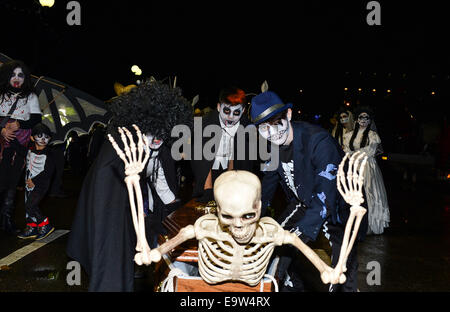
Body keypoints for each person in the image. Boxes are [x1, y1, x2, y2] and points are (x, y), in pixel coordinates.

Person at [66, 79, 193, 291]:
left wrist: (176, 209)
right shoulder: (123, 141)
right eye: (156, 133)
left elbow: (158, 176)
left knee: (123, 258)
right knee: (111, 261)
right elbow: (110, 188)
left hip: (128, 206)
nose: (159, 139)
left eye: (164, 134)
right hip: (110, 204)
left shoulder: (156, 140)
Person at [250, 91, 359, 292]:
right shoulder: (271, 147)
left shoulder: (318, 141)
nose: (273, 133)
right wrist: (253, 214)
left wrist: (297, 236)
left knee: (340, 273)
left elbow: (325, 198)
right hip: (302, 202)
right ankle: (290, 287)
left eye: (276, 124)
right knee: (271, 247)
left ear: (289, 115)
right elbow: (269, 184)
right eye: (264, 128)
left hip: (336, 208)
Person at [190, 86, 255, 203]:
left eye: (236, 112)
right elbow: (201, 160)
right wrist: (208, 190)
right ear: (219, 107)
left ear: (243, 110)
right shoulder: (204, 124)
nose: (230, 117)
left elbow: (241, 159)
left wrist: (230, 184)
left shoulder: (247, 127)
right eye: (226, 111)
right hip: (207, 173)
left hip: (231, 171)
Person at [0, 60, 42, 234]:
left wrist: (19, 124)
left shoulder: (31, 97)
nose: (16, 78)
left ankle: (6, 220)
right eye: (12, 74)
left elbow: (36, 119)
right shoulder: (0, 94)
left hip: (19, 148)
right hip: (1, 145)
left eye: (21, 75)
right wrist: (2, 130)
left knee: (11, 183)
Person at [343, 106, 390, 235]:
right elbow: (346, 150)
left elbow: (370, 151)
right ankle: (355, 225)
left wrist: (353, 154)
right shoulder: (349, 135)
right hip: (353, 168)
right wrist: (351, 155)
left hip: (368, 168)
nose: (363, 120)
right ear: (357, 119)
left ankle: (371, 224)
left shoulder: (372, 135)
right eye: (361, 117)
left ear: (370, 121)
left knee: (369, 193)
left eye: (366, 118)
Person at [17, 123, 55, 240]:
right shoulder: (30, 149)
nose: (43, 140)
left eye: (46, 137)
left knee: (31, 205)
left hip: (40, 184)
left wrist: (34, 180)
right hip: (28, 183)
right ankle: (31, 227)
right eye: (40, 136)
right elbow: (19, 149)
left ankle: (45, 224)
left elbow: (49, 172)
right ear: (32, 138)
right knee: (27, 207)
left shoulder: (49, 154)